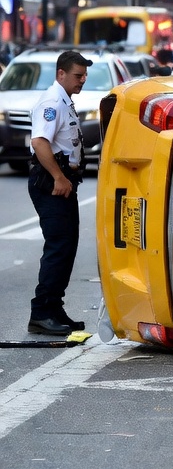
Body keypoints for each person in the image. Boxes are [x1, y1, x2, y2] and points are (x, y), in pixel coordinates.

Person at [27, 50, 92, 335]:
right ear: (61, 74)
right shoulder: (53, 101)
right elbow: (40, 142)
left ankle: (53, 307)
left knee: (66, 247)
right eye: (78, 76)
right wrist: (58, 176)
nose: (83, 80)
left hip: (63, 183)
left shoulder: (65, 100)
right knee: (58, 246)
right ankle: (42, 312)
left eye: (84, 75)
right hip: (51, 183)